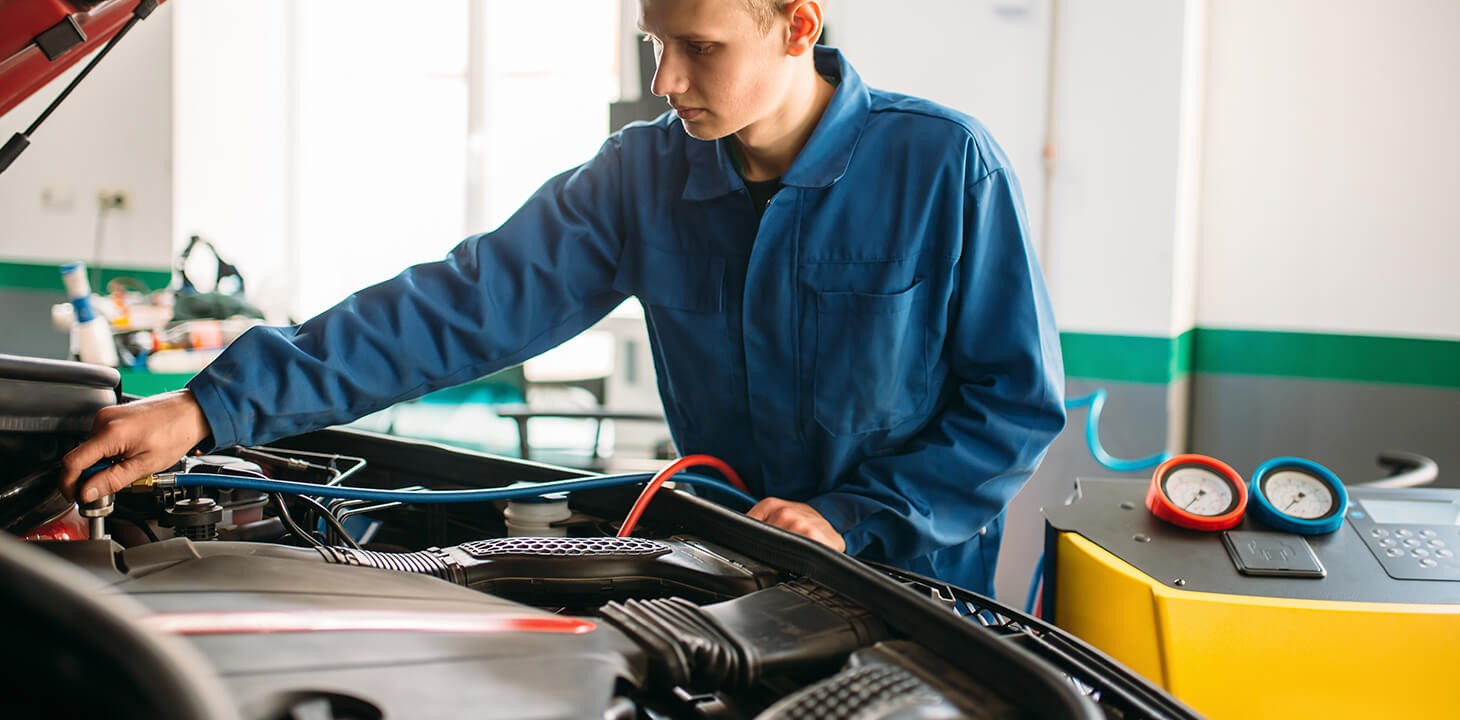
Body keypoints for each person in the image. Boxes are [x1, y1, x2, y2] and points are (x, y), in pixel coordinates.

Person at [60, 0, 1065, 597]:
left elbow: (1010, 407)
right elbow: (460, 305)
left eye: (700, 47)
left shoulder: (943, 167)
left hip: (910, 591)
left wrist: (851, 518)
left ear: (797, 25)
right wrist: (209, 408)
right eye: (653, 41)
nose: (665, 78)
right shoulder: (641, 177)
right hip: (730, 571)